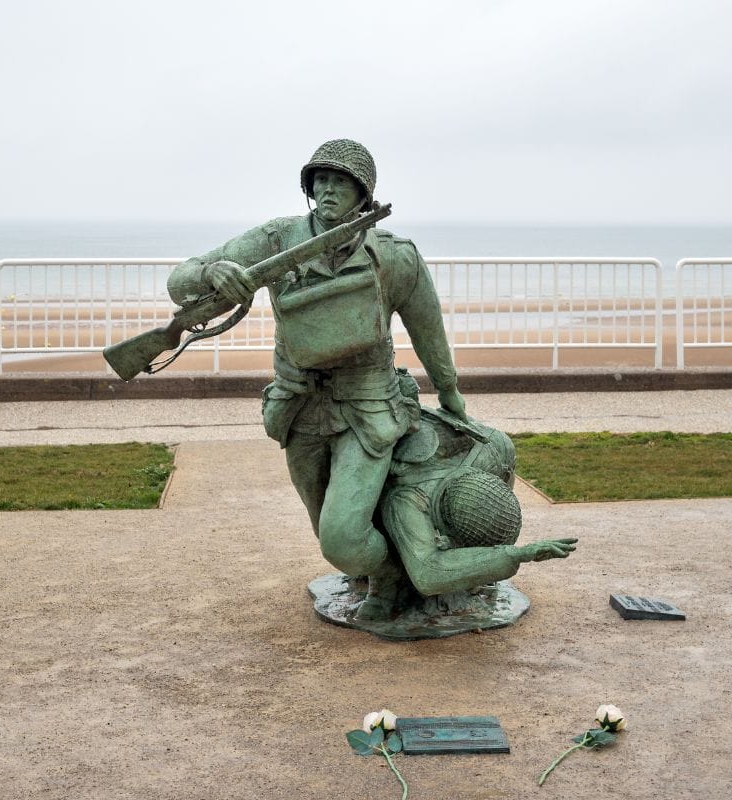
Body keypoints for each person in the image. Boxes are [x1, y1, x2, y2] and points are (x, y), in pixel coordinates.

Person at [167, 139, 467, 581]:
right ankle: (390, 572)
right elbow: (181, 281)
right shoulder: (277, 239)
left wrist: (449, 392)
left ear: (363, 195)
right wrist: (212, 273)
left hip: (367, 408)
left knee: (342, 540)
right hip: (298, 407)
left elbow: (428, 331)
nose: (328, 190)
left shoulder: (395, 255)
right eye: (321, 180)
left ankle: (396, 580)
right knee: (323, 528)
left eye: (340, 182)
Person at [358, 409, 578, 620]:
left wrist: (486, 563)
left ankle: (469, 570)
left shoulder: (496, 449)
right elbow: (427, 574)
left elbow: (501, 487)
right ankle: (384, 582)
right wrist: (515, 555)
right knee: (363, 530)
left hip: (441, 451)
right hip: (371, 456)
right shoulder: (406, 501)